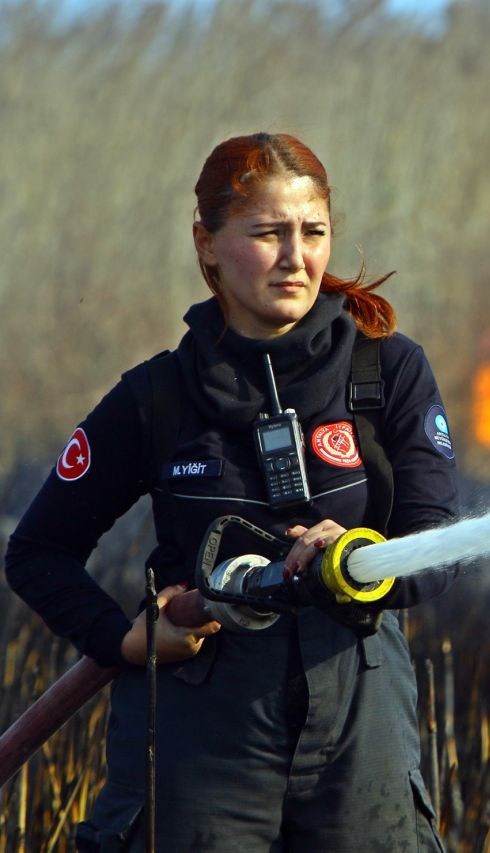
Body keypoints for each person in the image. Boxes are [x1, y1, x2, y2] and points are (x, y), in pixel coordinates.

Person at [5, 132, 457, 850]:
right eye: (268, 233)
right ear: (207, 244)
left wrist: (361, 557)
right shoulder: (155, 396)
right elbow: (37, 551)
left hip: (358, 723)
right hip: (198, 732)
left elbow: (440, 547)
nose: (296, 257)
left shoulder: (387, 374)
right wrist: (125, 638)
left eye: (313, 232)